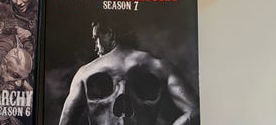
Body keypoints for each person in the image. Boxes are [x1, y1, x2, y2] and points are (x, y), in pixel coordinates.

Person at [59, 18, 199, 125]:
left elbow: (65, 122)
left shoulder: (85, 73)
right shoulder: (159, 66)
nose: (95, 46)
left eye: (96, 38)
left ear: (110, 33)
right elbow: (195, 111)